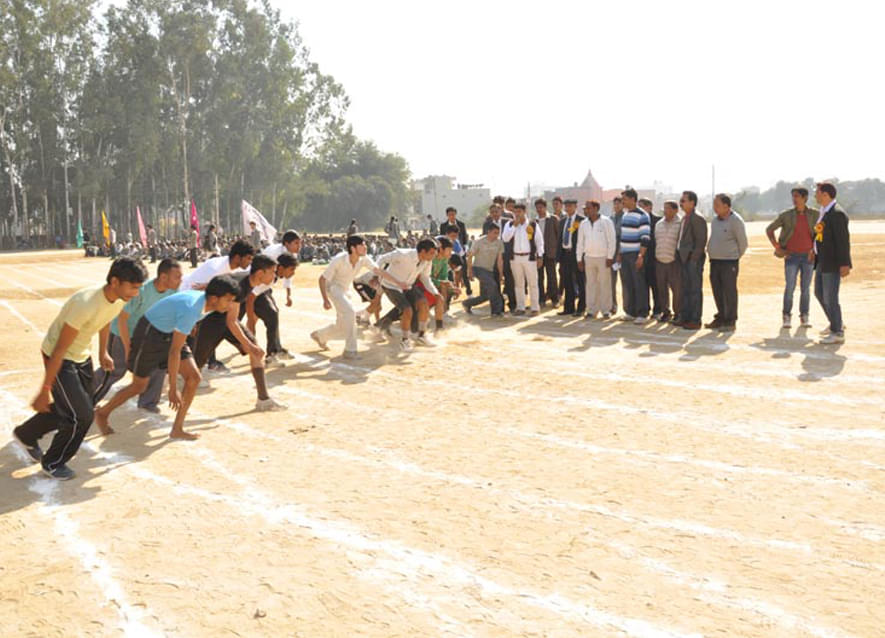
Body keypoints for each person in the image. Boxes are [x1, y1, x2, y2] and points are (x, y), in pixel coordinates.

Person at [13, 257, 148, 480]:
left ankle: (26, 434)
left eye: (139, 287)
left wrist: (103, 352)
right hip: (60, 356)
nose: (136, 293)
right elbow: (59, 350)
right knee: (82, 415)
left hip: (81, 355)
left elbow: (106, 319)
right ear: (115, 281)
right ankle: (53, 462)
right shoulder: (85, 304)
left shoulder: (119, 298)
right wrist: (45, 389)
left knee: (76, 406)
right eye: (133, 287)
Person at [94, 275, 239, 441]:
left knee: (194, 378)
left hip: (170, 332)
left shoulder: (207, 304)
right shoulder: (191, 309)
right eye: (228, 300)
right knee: (139, 385)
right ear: (214, 298)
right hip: (150, 334)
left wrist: (189, 325)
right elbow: (174, 352)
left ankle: (177, 429)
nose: (230, 305)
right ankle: (103, 413)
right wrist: (172, 388)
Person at [93, 258, 183, 418]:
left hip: (148, 336)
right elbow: (122, 319)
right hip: (122, 332)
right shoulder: (142, 291)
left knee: (158, 365)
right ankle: (87, 397)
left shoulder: (173, 292)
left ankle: (148, 403)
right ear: (163, 277)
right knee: (115, 370)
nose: (180, 281)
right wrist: (128, 348)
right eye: (177, 277)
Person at [191, 257, 285, 410]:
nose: (275, 276)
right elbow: (231, 321)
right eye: (272, 272)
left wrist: (251, 346)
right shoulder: (242, 285)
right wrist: (249, 345)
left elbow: (225, 280)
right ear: (260, 273)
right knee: (194, 365)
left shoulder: (247, 280)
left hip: (225, 320)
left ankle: (263, 399)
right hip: (211, 322)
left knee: (256, 352)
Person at [312, 235, 405, 358]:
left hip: (345, 290)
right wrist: (325, 299)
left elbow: (379, 271)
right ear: (353, 248)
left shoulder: (364, 259)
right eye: (362, 245)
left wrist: (398, 282)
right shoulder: (339, 259)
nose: (365, 247)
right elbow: (322, 279)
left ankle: (320, 335)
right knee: (351, 313)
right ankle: (350, 350)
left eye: (365, 244)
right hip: (333, 288)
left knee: (343, 325)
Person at [180, 239, 256, 373]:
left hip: (205, 299)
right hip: (189, 298)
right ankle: (188, 368)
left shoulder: (233, 267)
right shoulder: (217, 270)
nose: (250, 262)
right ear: (237, 257)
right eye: (248, 258)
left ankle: (208, 362)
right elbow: (196, 291)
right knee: (192, 335)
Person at [375, 238, 440, 352]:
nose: (434, 256)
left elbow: (425, 278)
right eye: (431, 253)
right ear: (422, 251)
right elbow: (381, 259)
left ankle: (421, 336)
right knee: (407, 310)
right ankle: (405, 341)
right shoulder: (402, 254)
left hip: (408, 285)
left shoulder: (427, 261)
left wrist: (435, 293)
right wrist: (378, 275)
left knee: (423, 303)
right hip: (391, 286)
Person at [766, 187, 816, 329]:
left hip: (808, 256)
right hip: (791, 256)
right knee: (789, 287)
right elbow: (769, 229)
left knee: (805, 288)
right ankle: (786, 316)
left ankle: (804, 316)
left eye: (797, 196)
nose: (794, 199)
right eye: (793, 196)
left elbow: (821, 234)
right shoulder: (786, 215)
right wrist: (777, 247)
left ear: (805, 198)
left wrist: (815, 250)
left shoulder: (815, 214)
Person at [812, 182, 851, 344]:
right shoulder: (824, 211)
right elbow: (820, 235)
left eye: (817, 192)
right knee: (819, 293)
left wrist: (845, 263)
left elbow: (843, 241)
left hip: (833, 262)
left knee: (830, 297)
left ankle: (837, 332)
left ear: (825, 194)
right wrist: (813, 250)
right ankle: (836, 322)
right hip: (821, 260)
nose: (815, 195)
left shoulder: (837, 214)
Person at [245, 253, 298, 366]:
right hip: (247, 294)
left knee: (273, 314)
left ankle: (276, 349)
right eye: (291, 269)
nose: (293, 273)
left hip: (259, 294)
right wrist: (251, 320)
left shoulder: (274, 276)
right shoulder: (268, 277)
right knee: (272, 315)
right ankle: (271, 355)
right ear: (281, 268)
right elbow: (250, 297)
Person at [705, 194, 748, 332]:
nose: (714, 207)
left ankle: (730, 321)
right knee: (717, 290)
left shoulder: (736, 221)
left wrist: (734, 257)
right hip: (715, 261)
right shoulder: (715, 221)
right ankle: (721, 317)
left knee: (729, 291)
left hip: (729, 262)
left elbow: (743, 243)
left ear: (726, 206)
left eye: (717, 205)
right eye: (714, 204)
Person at [257, 230, 302, 359]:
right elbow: (260, 271)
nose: (299, 246)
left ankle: (275, 349)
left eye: (300, 243)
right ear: (286, 244)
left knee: (272, 313)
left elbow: (288, 277)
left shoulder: (292, 256)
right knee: (269, 314)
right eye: (296, 243)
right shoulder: (274, 254)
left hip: (265, 285)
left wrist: (288, 294)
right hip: (256, 284)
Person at [576, 200, 616, 320]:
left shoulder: (606, 222)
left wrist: (610, 257)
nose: (586, 211)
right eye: (585, 209)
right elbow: (580, 242)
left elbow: (612, 240)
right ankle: (591, 310)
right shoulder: (583, 224)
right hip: (588, 257)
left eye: (588, 208)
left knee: (605, 284)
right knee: (590, 285)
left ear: (596, 208)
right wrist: (579, 259)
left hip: (603, 257)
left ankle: (606, 310)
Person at [502, 203, 543, 316]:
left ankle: (535, 307)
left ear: (524, 212)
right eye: (515, 212)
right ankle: (520, 307)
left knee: (533, 283)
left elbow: (539, 242)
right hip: (515, 258)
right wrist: (514, 226)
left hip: (529, 257)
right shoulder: (509, 224)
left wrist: (540, 256)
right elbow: (505, 238)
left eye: (519, 211)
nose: (517, 214)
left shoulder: (532, 224)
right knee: (518, 284)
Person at [617, 189, 651, 323]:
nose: (622, 202)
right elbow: (622, 236)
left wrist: (641, 256)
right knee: (627, 283)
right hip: (625, 255)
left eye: (624, 199)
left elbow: (645, 238)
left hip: (636, 255)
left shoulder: (643, 215)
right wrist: (619, 253)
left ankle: (642, 313)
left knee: (639, 284)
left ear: (632, 199)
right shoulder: (625, 215)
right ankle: (630, 312)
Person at [675, 190, 707, 330]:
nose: (681, 203)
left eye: (683, 201)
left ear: (692, 202)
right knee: (685, 289)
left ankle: (695, 319)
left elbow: (701, 241)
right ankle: (685, 317)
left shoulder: (697, 218)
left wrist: (693, 259)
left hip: (692, 260)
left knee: (694, 290)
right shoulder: (685, 218)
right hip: (683, 259)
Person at [462, 225, 505, 316]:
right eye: (494, 233)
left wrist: (501, 274)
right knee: (492, 285)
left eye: (498, 233)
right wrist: (469, 271)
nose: (496, 235)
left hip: (490, 271)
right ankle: (496, 311)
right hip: (478, 269)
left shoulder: (499, 243)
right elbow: (470, 256)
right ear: (488, 232)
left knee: (485, 296)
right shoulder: (479, 242)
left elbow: (500, 260)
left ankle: (467, 303)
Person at [654, 201, 682, 323]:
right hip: (660, 260)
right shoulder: (659, 224)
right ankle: (665, 312)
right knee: (662, 289)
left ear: (676, 210)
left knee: (677, 289)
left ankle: (678, 313)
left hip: (674, 262)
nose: (666, 211)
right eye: (665, 208)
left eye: (669, 208)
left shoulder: (681, 224)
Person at [557, 199, 585, 316]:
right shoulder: (563, 221)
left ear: (575, 207)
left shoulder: (581, 220)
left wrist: (581, 256)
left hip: (577, 254)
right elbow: (560, 238)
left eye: (570, 206)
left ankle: (581, 308)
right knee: (567, 281)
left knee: (580, 281)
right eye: (566, 206)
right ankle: (569, 308)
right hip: (565, 254)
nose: (568, 208)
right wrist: (559, 256)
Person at [638, 198, 663, 320]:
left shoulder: (658, 221)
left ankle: (658, 310)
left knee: (656, 285)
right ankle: (644, 309)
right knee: (643, 286)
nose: (640, 209)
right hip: (641, 257)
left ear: (650, 207)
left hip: (655, 258)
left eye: (642, 206)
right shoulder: (638, 220)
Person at [534, 198, 560, 307]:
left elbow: (558, 236)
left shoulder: (553, 219)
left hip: (550, 253)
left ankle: (555, 299)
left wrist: (558, 252)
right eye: (537, 208)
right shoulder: (534, 222)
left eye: (541, 207)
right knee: (539, 277)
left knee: (552, 277)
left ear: (545, 207)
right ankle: (541, 299)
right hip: (538, 254)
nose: (539, 209)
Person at [609, 196, 627, 315]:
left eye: (619, 204)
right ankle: (613, 305)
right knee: (611, 281)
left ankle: (627, 308)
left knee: (625, 282)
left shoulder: (626, 217)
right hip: (611, 251)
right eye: (615, 204)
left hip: (623, 252)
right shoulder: (610, 218)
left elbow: (623, 237)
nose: (616, 206)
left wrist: (619, 253)